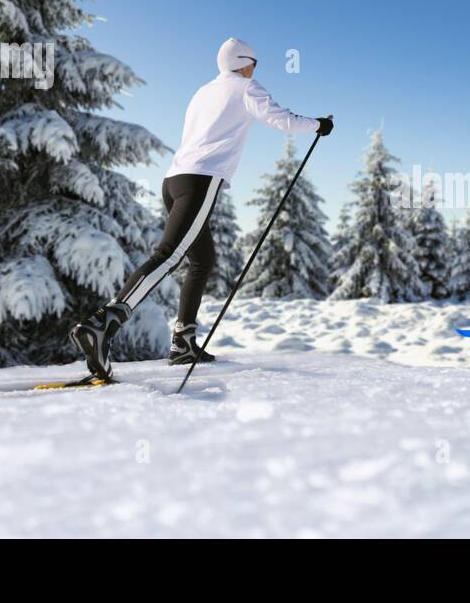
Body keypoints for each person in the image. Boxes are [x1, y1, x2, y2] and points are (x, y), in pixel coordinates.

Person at [70, 38, 334, 381]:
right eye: (253, 62)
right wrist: (317, 124)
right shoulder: (244, 86)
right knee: (168, 254)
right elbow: (279, 119)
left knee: (202, 259)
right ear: (244, 62)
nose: (255, 68)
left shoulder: (203, 92)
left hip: (174, 180)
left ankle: (183, 343)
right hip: (201, 180)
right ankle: (103, 324)